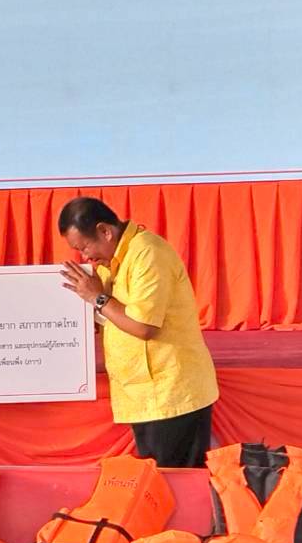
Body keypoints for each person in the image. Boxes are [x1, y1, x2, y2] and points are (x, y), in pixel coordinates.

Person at [58, 197, 218, 467]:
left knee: (178, 483)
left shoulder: (148, 253)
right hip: (144, 397)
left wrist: (97, 298)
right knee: (157, 483)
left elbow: (144, 327)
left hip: (171, 396)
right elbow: (112, 316)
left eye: (84, 247)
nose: (85, 257)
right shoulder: (110, 265)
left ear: (104, 231)